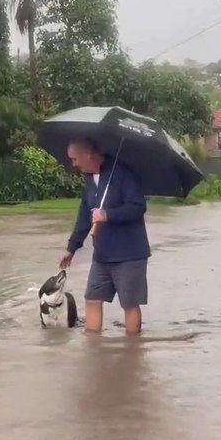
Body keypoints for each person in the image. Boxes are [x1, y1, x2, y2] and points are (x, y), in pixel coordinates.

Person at [59, 137, 149, 335]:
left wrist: (108, 215)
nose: (73, 164)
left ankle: (133, 348)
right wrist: (71, 248)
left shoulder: (123, 174)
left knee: (129, 304)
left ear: (87, 155)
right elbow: (85, 216)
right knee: (92, 299)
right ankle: (93, 347)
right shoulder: (90, 180)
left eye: (75, 159)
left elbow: (138, 207)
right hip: (102, 255)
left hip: (129, 255)